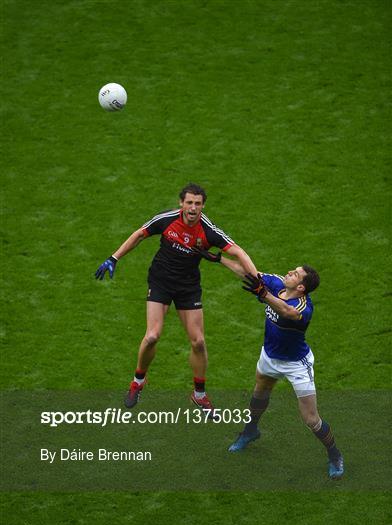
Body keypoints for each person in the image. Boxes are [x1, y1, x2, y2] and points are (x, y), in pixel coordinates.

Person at [95, 183, 258, 414]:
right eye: (189, 202)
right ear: (181, 203)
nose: (193, 208)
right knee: (152, 336)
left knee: (199, 342)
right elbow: (139, 234)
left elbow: (238, 252)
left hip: (188, 287)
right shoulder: (167, 219)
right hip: (160, 281)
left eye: (198, 203)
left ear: (203, 205)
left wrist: (258, 281)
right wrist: (114, 258)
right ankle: (138, 381)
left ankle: (199, 395)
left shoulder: (208, 230)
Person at [196, 249, 344, 479]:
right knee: (259, 394)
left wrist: (263, 294)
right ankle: (250, 431)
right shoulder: (276, 283)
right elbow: (247, 273)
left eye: (295, 274)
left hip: (296, 365)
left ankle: (335, 454)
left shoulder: (304, 307)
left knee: (311, 420)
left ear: (302, 287)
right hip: (270, 356)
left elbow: (286, 311)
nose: (289, 272)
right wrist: (219, 258)